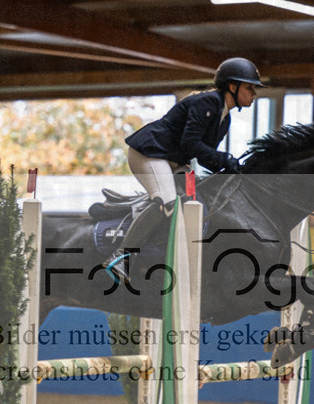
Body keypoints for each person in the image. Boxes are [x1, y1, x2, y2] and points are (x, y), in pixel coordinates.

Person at [104, 57, 265, 283]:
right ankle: (122, 256)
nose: (254, 93)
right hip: (150, 153)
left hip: (174, 161)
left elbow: (205, 156)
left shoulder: (224, 119)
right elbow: (192, 143)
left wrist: (231, 167)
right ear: (232, 86)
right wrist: (224, 158)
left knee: (194, 201)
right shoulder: (208, 102)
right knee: (167, 202)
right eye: (250, 87)